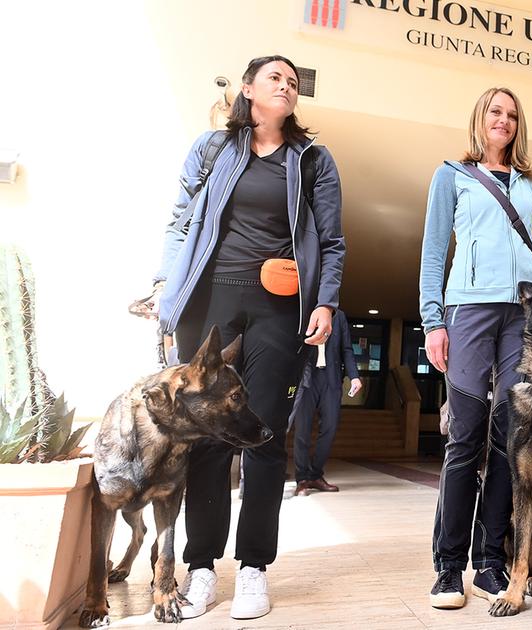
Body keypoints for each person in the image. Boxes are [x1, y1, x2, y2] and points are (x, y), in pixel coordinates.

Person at [141, 55, 344, 619]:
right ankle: (201, 566)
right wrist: (165, 282)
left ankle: (253, 567)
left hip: (279, 307)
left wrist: (325, 300)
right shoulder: (213, 149)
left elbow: (332, 240)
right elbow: (182, 218)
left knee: (264, 433)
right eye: (274, 77)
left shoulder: (312, 160)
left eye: (293, 81)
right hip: (212, 301)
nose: (286, 85)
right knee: (205, 432)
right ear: (249, 89)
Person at [420, 87, 532, 608]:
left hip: (522, 318)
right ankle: (447, 567)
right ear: (480, 120)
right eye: (494, 112)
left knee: (510, 441)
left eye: (511, 114)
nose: (503, 121)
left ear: (518, 125)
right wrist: (432, 321)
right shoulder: (452, 176)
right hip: (468, 312)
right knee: (464, 441)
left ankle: (489, 562)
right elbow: (435, 251)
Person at [292, 308, 362, 495]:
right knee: (302, 431)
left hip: (330, 378)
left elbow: (346, 349)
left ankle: (315, 474)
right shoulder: (303, 310)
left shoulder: (339, 316)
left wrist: (354, 376)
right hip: (306, 378)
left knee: (330, 428)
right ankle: (302, 479)